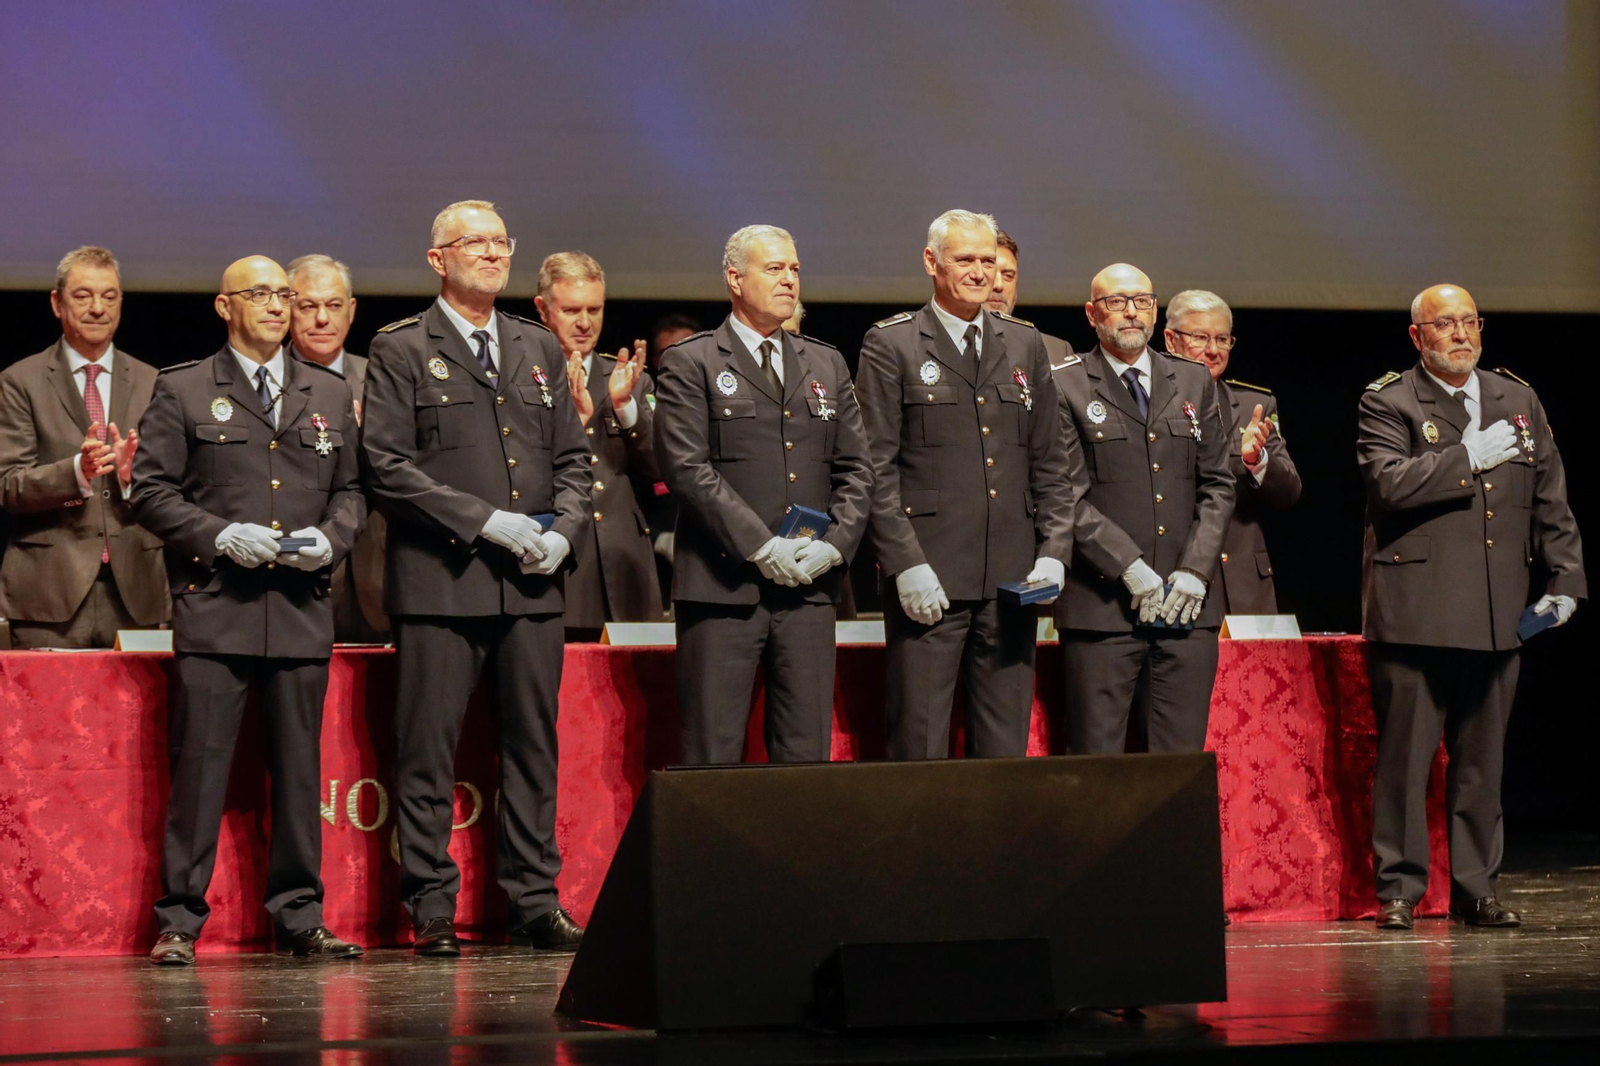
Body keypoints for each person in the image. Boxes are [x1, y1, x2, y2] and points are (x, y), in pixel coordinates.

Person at [361, 200, 592, 955]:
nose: (492, 255)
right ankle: (430, 904)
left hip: (531, 587)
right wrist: (484, 521)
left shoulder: (535, 345)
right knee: (428, 750)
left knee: (533, 748)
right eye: (474, 244)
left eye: (501, 243)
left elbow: (572, 461)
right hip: (441, 582)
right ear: (438, 259)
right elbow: (386, 468)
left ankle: (533, 898)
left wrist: (563, 533)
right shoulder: (400, 348)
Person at [132, 255, 366, 964]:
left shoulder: (323, 390)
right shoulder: (184, 388)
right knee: (200, 771)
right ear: (224, 306)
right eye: (260, 294)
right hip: (217, 608)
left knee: (299, 777)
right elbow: (150, 491)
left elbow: (352, 490)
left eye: (283, 294)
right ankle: (178, 921)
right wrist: (217, 535)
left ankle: (299, 916)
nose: (277, 305)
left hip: (298, 608)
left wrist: (330, 541)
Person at [1360, 283, 1584, 931]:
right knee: (1406, 762)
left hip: (1496, 610)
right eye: (1444, 324)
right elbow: (1387, 483)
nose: (1460, 334)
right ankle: (1399, 891)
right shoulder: (1389, 399)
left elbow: (1550, 496)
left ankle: (1475, 889)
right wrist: (1465, 458)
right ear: (1417, 337)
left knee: (1483, 762)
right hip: (1416, 612)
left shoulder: (1518, 398)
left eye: (1469, 322)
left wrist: (1566, 578)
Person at [855, 210, 1073, 760]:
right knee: (919, 745)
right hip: (929, 579)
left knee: (1004, 751)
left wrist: (1054, 553)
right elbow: (874, 468)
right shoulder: (893, 344)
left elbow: (1050, 462)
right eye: (966, 260)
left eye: (990, 263)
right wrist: (904, 563)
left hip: (1012, 582)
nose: (983, 274)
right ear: (932, 263)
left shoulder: (1025, 345)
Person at [654, 225, 872, 764]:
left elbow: (857, 469)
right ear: (734, 278)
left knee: (805, 757)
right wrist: (760, 545)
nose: (789, 280)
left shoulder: (826, 362)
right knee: (713, 752)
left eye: (795, 269)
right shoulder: (692, 361)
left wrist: (836, 545)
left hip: (809, 589)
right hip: (723, 589)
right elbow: (687, 468)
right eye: (774, 269)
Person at [1049, 264, 1234, 755]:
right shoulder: (1064, 384)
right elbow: (1063, 492)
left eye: (1143, 300)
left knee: (1177, 774)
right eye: (1116, 301)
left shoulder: (1194, 380)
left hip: (1186, 609)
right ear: (1092, 314)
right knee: (1097, 771)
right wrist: (1129, 567)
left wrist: (1195, 571)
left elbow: (1218, 485)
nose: (1131, 311)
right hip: (1101, 611)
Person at [0, 246, 168, 647]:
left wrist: (131, 480)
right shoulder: (20, 380)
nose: (98, 308)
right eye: (83, 295)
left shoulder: (154, 382)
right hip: (48, 591)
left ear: (121, 303)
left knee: (135, 712)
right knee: (47, 710)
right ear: (57, 303)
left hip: (136, 591)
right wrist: (77, 472)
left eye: (109, 296)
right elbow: (8, 484)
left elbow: (177, 487)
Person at [533, 251, 662, 635]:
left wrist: (626, 410)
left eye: (595, 309)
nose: (585, 323)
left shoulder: (627, 377)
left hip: (626, 561)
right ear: (543, 309)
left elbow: (663, 472)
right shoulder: (523, 377)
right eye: (572, 310)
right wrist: (572, 421)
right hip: (560, 560)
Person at [1162, 290, 1300, 615]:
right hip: (1174, 580)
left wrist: (1258, 462)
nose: (1212, 350)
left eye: (1222, 339)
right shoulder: (1146, 404)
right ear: (1170, 340)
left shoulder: (1255, 405)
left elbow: (1290, 492)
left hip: (1243, 590)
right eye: (1200, 337)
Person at [287, 254, 389, 643]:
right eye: (308, 306)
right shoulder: (263, 383)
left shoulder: (384, 380)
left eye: (332, 305)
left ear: (351, 310)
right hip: (297, 576)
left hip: (377, 574)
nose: (322, 319)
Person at [987, 229, 1074, 366]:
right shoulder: (949, 345)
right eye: (990, 273)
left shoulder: (1055, 351)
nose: (999, 285)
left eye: (1008, 276)